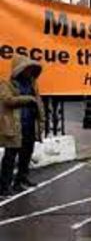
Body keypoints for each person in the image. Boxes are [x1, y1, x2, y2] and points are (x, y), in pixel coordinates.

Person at [0, 55, 44, 197]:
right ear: (19, 69)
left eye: (31, 69)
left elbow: (38, 103)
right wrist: (28, 99)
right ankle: (4, 187)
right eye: (27, 68)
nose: (29, 72)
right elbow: (7, 100)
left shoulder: (32, 84)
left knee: (26, 154)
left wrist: (41, 121)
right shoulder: (7, 84)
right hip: (14, 126)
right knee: (10, 157)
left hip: (29, 124)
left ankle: (21, 180)